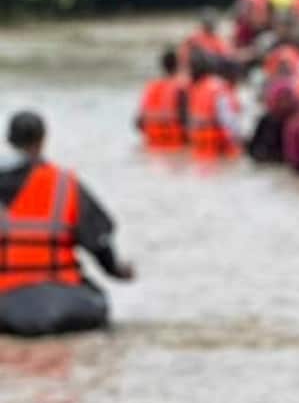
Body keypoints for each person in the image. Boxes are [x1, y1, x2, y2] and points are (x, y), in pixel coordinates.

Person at [0, 112, 135, 336]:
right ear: (42, 140)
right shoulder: (64, 184)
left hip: (7, 303)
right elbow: (99, 243)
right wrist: (117, 271)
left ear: (9, 140)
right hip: (67, 303)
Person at [186, 55, 243, 159]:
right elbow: (228, 121)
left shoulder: (195, 87)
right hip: (218, 147)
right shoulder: (220, 88)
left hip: (199, 145)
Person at [136, 48, 188, 150]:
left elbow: (138, 122)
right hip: (174, 141)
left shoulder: (151, 87)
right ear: (178, 66)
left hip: (151, 139)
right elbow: (186, 120)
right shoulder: (181, 87)